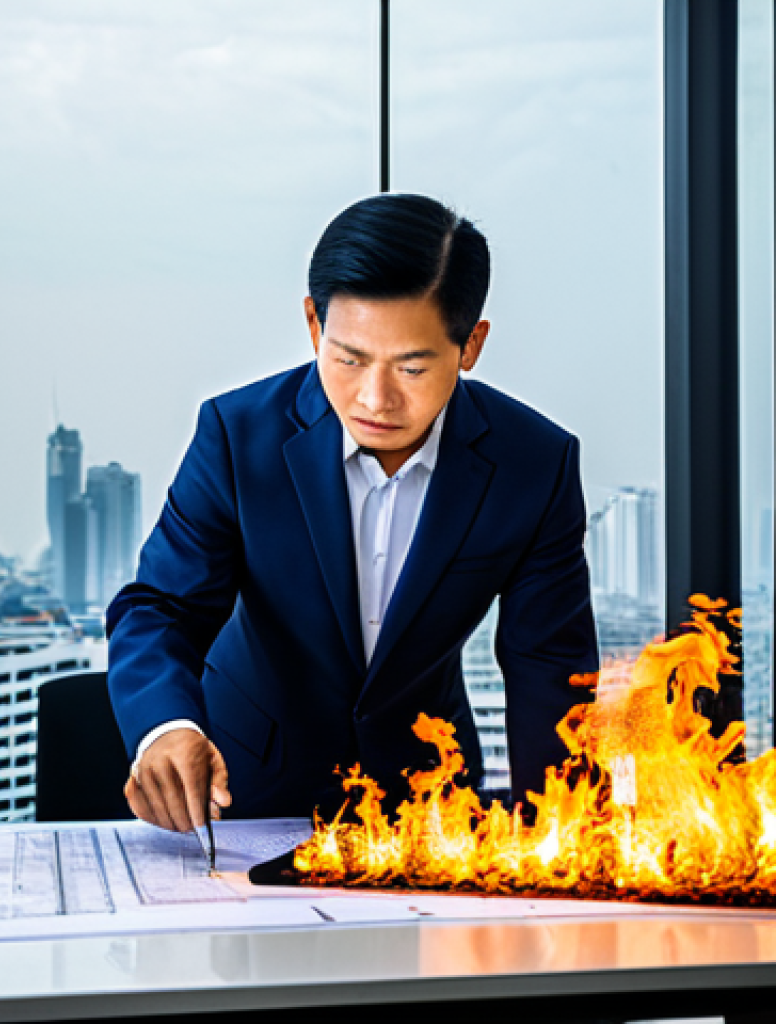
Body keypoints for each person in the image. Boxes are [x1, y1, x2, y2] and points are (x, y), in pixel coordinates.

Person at [106, 193, 598, 834]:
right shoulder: (237, 435)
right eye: (349, 358)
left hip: (429, 809)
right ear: (314, 325)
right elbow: (160, 608)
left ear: (470, 345)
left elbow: (551, 669)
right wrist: (166, 727)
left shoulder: (535, 463)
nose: (375, 399)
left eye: (413, 367)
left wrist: (565, 840)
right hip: (247, 798)